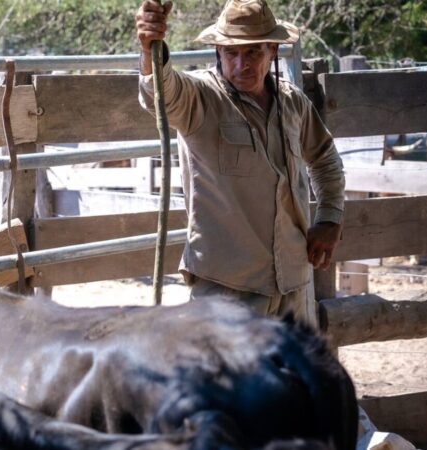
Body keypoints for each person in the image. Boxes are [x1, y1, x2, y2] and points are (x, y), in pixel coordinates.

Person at [135, 0, 345, 325]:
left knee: (296, 376)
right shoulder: (201, 99)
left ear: (272, 50)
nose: (240, 64)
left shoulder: (293, 104)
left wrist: (330, 217)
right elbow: (163, 93)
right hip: (227, 290)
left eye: (252, 53)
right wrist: (151, 50)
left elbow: (325, 160)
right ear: (218, 50)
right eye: (231, 53)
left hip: (294, 282)